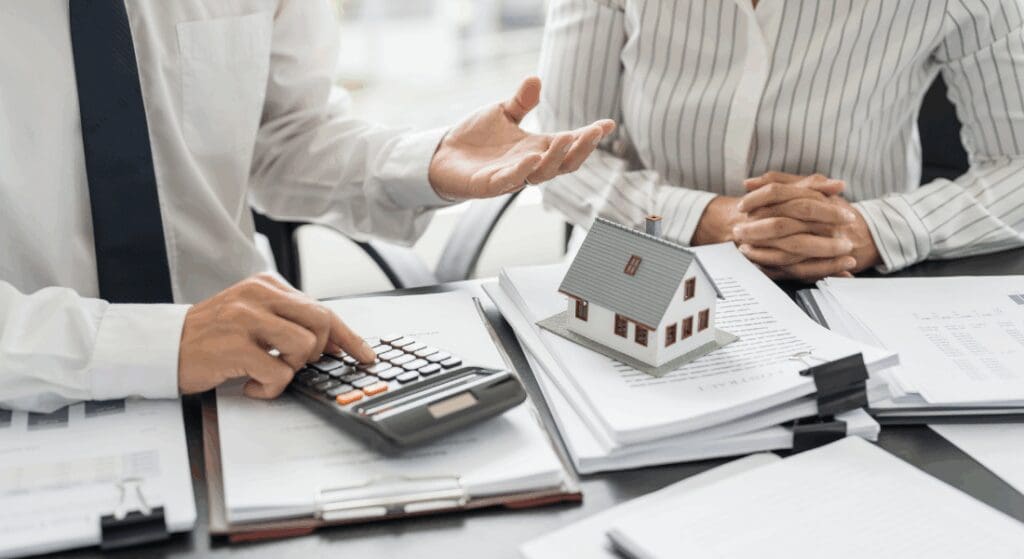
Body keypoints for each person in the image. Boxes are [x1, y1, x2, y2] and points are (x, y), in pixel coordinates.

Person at [0, 1, 615, 412]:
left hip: (247, 380)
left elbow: (283, 137)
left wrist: (424, 162)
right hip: (29, 391)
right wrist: (160, 344)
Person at [537, 0, 1024, 281]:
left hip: (859, 279)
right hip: (639, 253)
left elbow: (1017, 165)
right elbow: (559, 156)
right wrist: (707, 220)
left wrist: (873, 230)